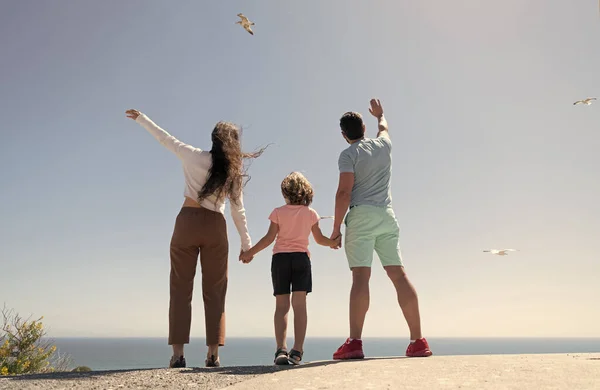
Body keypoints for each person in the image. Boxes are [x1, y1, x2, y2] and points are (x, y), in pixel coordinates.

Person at [125, 109, 265, 368]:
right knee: (215, 291)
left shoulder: (192, 155)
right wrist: (247, 246)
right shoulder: (232, 171)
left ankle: (178, 355)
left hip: (187, 222)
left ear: (213, 139)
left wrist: (143, 119)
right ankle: (213, 354)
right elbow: (238, 210)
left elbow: (165, 139)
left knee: (180, 289)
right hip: (215, 227)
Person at [329, 99, 432, 359]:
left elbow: (344, 193)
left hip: (361, 216)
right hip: (387, 216)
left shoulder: (348, 155)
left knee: (360, 278)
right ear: (364, 126)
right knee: (398, 276)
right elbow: (384, 127)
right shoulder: (384, 144)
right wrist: (380, 115)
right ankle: (418, 341)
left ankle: (354, 343)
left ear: (344, 135)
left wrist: (335, 229)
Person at [239, 172, 338, 365]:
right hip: (301, 260)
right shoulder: (311, 213)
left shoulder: (277, 212)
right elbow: (319, 240)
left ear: (285, 193)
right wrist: (332, 243)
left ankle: (280, 350)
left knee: (281, 306)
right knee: (299, 307)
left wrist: (249, 252)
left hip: (280, 260)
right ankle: (297, 351)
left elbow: (269, 239)